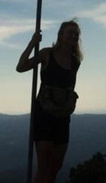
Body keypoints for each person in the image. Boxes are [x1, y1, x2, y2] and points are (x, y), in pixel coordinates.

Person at [16, 20, 82, 183]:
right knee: (44, 166)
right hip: (44, 115)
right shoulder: (47, 54)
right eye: (70, 33)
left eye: (76, 34)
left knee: (56, 166)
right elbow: (21, 66)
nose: (73, 36)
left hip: (62, 117)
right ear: (60, 35)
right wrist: (32, 43)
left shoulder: (75, 61)